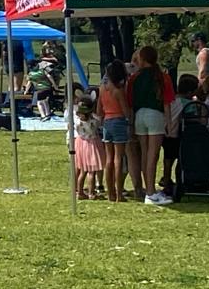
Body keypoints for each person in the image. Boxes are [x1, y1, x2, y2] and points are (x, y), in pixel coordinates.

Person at [127, 46, 173, 205]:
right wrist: (169, 123)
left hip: (139, 115)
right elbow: (167, 103)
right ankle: (151, 193)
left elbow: (131, 102)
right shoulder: (162, 77)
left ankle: (149, 189)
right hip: (155, 115)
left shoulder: (134, 78)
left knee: (145, 154)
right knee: (153, 155)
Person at [97, 61, 133, 203]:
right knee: (119, 158)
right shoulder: (118, 90)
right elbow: (126, 111)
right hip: (119, 121)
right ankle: (119, 193)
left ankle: (110, 193)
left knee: (109, 158)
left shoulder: (102, 89)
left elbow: (99, 110)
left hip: (107, 122)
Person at [72, 98, 104, 200]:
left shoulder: (77, 122)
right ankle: (91, 192)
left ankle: (80, 192)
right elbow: (99, 122)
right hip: (91, 145)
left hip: (81, 144)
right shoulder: (93, 122)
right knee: (91, 171)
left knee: (83, 171)